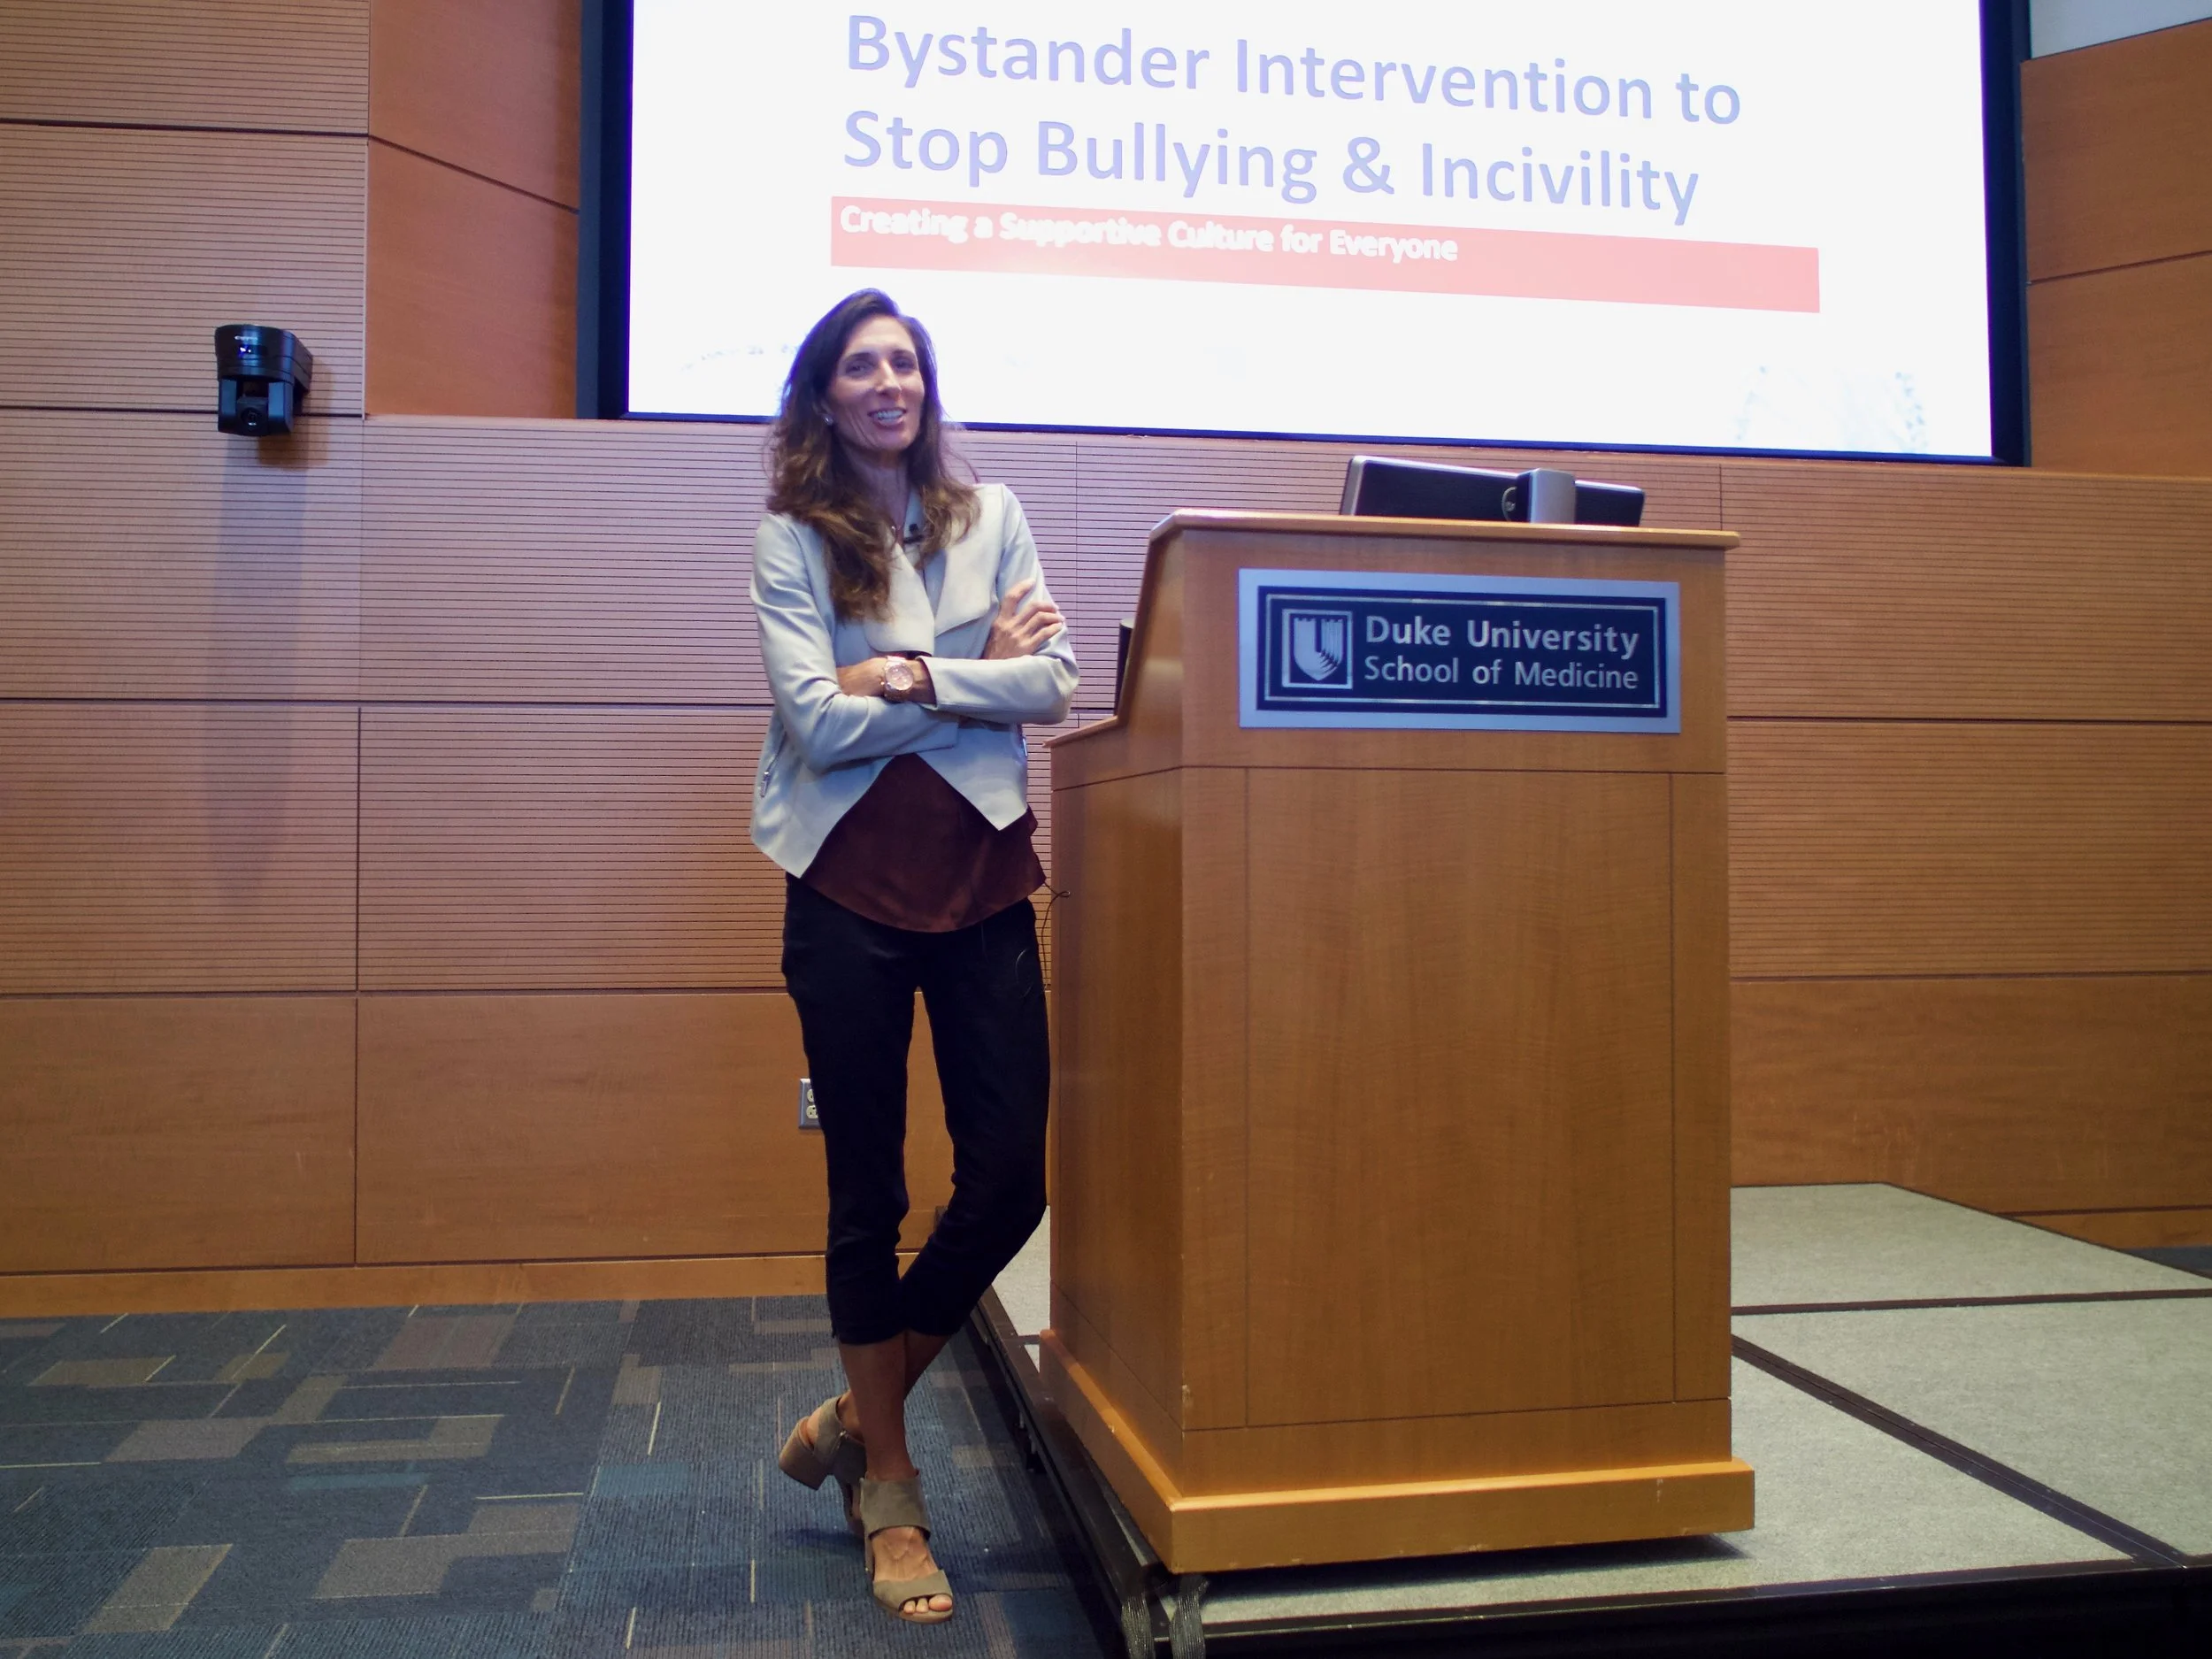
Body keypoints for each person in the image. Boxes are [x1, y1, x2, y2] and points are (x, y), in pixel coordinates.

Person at [750, 289, 1077, 1624]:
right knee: (866, 1198)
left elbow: (1051, 689)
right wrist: (963, 665)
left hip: (982, 872)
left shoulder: (989, 515)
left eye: (907, 361)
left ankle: (852, 1403)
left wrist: (905, 676)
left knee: (1009, 1180)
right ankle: (889, 1484)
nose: (890, 380)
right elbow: (815, 729)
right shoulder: (790, 540)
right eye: (861, 364)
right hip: (847, 891)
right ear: (825, 396)